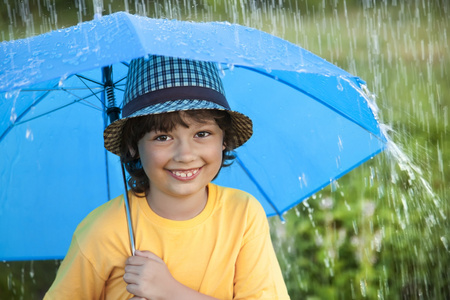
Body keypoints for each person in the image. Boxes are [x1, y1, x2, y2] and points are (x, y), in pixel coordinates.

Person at [45, 55, 290, 299]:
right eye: (163, 137)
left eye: (202, 133)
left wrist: (169, 291)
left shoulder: (243, 215)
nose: (185, 155)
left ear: (224, 140)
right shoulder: (103, 231)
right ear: (132, 146)